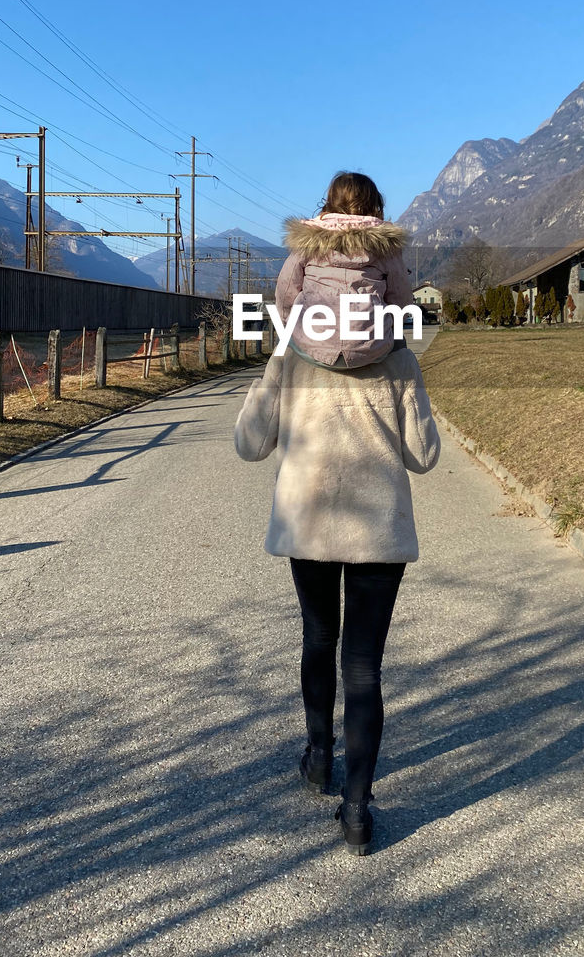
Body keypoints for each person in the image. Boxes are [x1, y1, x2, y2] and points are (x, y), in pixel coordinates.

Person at [233, 313, 440, 855]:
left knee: (319, 640)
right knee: (363, 664)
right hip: (378, 530)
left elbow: (250, 443)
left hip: (310, 524)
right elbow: (424, 456)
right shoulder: (396, 355)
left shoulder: (293, 353)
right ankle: (356, 810)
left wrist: (272, 370)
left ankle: (320, 758)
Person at [275, 171, 415, 369]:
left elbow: (285, 290)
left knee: (282, 351)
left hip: (312, 345)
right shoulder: (387, 249)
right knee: (401, 347)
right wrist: (386, 322)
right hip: (371, 348)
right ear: (375, 204)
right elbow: (401, 299)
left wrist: (288, 321)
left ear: (330, 201)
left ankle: (274, 395)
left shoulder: (307, 243)